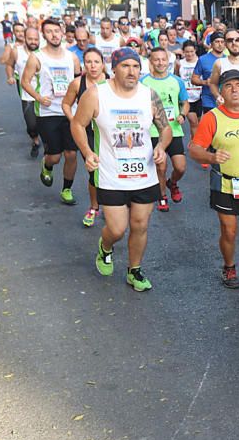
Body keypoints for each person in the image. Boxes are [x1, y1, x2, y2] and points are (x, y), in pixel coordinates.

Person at [70, 47, 171, 292]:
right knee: (116, 229)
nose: (131, 71)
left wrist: (162, 147)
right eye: (125, 66)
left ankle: (134, 270)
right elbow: (78, 124)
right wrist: (87, 152)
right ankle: (105, 248)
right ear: (113, 68)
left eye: (136, 66)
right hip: (111, 175)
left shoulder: (149, 95)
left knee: (140, 225)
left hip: (144, 174)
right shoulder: (96, 95)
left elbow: (165, 128)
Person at [188, 69, 239, 292]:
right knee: (229, 232)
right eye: (229, 86)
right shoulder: (212, 118)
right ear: (221, 92)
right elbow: (194, 149)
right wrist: (211, 157)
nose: (235, 90)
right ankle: (229, 267)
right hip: (226, 183)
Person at [20, 19, 82, 205]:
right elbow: (25, 81)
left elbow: (79, 81)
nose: (54, 35)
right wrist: (39, 98)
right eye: (49, 32)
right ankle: (47, 165)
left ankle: (67, 189)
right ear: (43, 35)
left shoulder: (72, 57)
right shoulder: (36, 57)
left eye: (57, 31)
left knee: (71, 154)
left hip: (70, 112)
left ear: (62, 32)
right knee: (55, 156)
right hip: (48, 112)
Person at [61, 47, 107, 227]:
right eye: (88, 62)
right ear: (83, 64)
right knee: (94, 170)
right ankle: (94, 207)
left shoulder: (111, 82)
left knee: (109, 170)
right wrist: (75, 121)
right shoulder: (77, 83)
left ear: (103, 64)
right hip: (87, 132)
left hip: (106, 132)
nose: (93, 66)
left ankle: (113, 205)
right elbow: (66, 104)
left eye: (96, 62)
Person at [141, 47, 190, 212]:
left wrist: (183, 114)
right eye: (156, 59)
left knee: (180, 167)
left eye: (163, 59)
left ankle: (172, 183)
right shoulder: (143, 82)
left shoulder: (177, 81)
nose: (160, 63)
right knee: (160, 166)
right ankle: (162, 196)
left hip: (174, 130)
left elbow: (185, 102)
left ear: (168, 61)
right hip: (153, 131)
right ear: (151, 62)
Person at [4, 24, 42, 158]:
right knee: (31, 125)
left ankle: (49, 150)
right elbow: (9, 64)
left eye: (36, 39)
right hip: (27, 95)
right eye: (30, 39)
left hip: (45, 95)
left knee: (47, 125)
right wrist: (10, 76)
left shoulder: (44, 51)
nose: (33, 42)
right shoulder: (16, 51)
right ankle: (35, 140)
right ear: (24, 38)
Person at [192, 32, 227, 166]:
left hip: (226, 101)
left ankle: (222, 152)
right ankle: (210, 156)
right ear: (211, 44)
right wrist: (205, 82)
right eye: (217, 42)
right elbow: (194, 79)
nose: (220, 44)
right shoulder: (203, 59)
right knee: (212, 129)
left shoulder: (228, 59)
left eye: (222, 41)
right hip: (209, 99)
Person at [176, 40, 202, 135]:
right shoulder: (179, 63)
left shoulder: (200, 61)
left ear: (195, 50)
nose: (189, 54)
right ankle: (195, 145)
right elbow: (177, 78)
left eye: (191, 51)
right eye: (187, 52)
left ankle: (199, 144)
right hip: (187, 98)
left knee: (201, 123)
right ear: (183, 52)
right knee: (193, 122)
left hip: (199, 96)